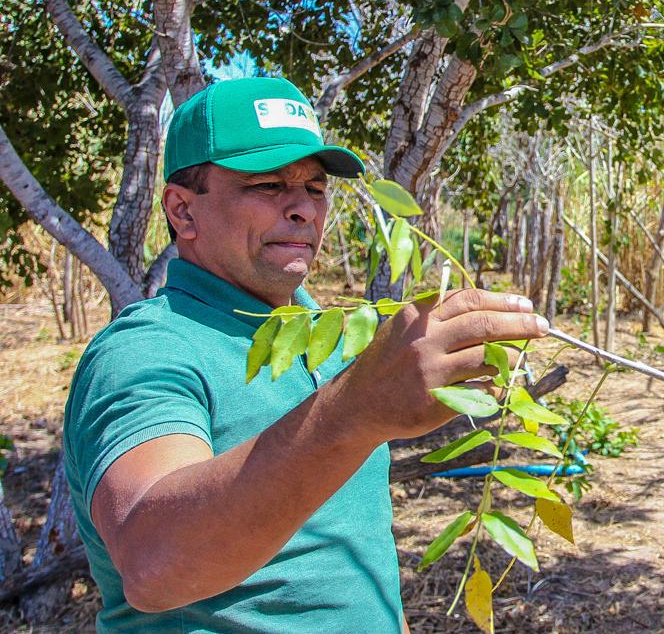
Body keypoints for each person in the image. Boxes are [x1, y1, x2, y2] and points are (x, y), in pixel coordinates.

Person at [62, 76, 548, 631]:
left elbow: (350, 550)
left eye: (315, 189)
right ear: (183, 211)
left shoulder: (328, 336)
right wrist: (354, 411)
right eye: (268, 185)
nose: (302, 209)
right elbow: (154, 568)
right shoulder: (147, 350)